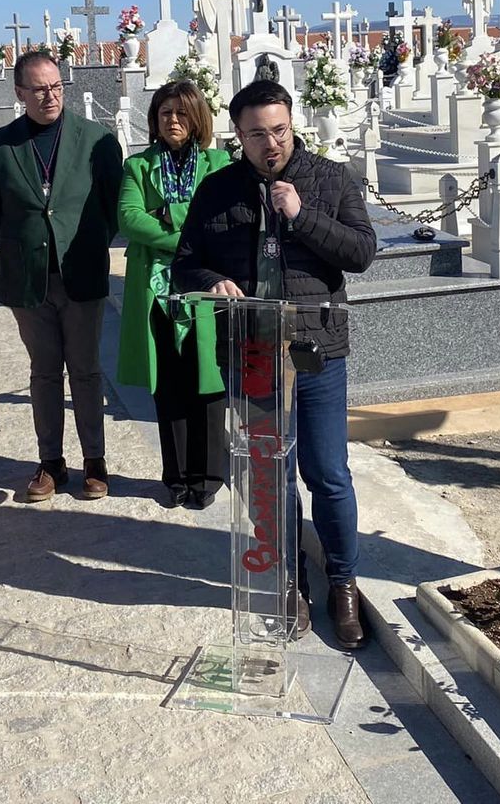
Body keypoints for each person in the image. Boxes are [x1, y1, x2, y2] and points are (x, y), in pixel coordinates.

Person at [172, 80, 377, 649]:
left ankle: (343, 581)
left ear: (293, 125)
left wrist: (302, 214)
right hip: (251, 352)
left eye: (280, 130)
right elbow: (183, 267)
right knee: (269, 472)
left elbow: (361, 253)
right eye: (258, 133)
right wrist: (212, 280)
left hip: (315, 352)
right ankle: (290, 580)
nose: (271, 143)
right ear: (238, 135)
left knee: (328, 473)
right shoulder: (216, 190)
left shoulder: (330, 179)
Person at [0, 51, 123, 502]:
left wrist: (77, 243)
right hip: (29, 278)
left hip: (80, 274)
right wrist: (30, 241)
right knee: (43, 372)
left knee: (86, 371)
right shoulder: (1, 147)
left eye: (56, 86)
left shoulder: (96, 140)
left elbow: (111, 207)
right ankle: (50, 463)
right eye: (38, 88)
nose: (50, 96)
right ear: (20, 93)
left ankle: (94, 462)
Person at [116, 81, 231, 508]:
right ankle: (176, 475)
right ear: (155, 119)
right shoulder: (139, 166)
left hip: (206, 287)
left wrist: (165, 214)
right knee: (168, 385)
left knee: (207, 382)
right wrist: (187, 230)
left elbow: (218, 217)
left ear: (197, 117)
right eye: (166, 113)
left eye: (182, 113)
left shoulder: (217, 163)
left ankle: (209, 475)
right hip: (156, 291)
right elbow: (129, 219)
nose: (173, 121)